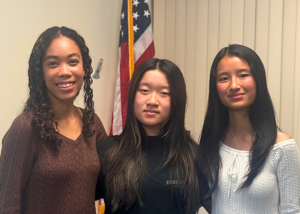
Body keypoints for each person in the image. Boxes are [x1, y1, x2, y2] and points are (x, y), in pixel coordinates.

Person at [0, 26, 107, 213]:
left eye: (73, 61)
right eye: (53, 63)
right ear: (40, 71)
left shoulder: (92, 123)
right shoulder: (26, 127)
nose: (64, 71)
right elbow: (7, 204)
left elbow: (111, 184)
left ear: (84, 68)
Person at [95, 58, 209, 214]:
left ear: (177, 101)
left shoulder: (193, 156)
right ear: (132, 95)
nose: (152, 101)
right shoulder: (107, 151)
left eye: (164, 93)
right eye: (144, 90)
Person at [198, 44, 300, 214]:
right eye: (224, 78)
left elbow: (293, 210)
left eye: (243, 75)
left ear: (258, 79)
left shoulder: (282, 147)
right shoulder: (211, 143)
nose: (234, 85)